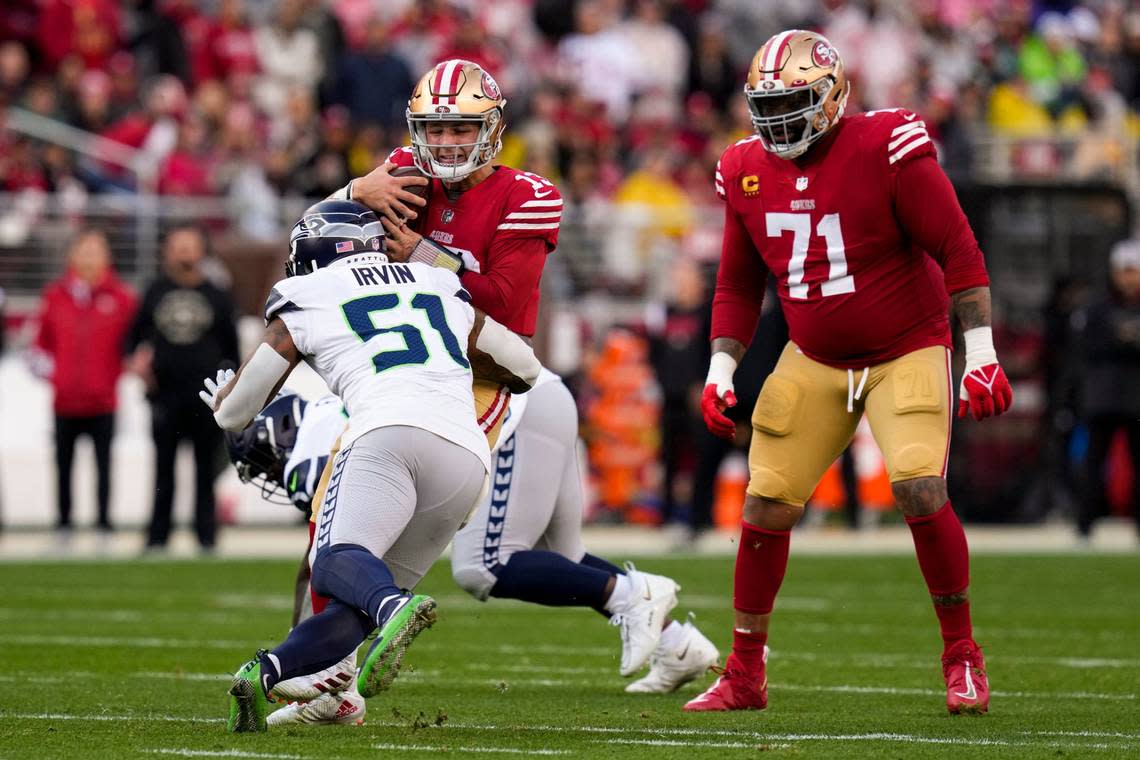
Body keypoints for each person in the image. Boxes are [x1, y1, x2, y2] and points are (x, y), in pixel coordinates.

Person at [333, 59, 695, 683]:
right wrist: (350, 195)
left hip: (508, 391)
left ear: (493, 130)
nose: (444, 142)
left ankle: (633, 597)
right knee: (565, 557)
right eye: (434, 128)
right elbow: (321, 239)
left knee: (484, 566)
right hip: (462, 391)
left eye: (460, 128)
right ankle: (680, 643)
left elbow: (500, 302)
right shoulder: (400, 174)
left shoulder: (527, 195)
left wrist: (422, 254)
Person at [687, 30, 1013, 716]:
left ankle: (962, 657)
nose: (777, 122)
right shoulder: (745, 168)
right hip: (815, 356)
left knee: (920, 489)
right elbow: (738, 286)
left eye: (794, 103)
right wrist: (721, 367)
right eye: (766, 106)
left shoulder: (886, 145)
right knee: (764, 502)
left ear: (833, 98)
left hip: (907, 348)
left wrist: (980, 353)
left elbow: (957, 246)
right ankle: (746, 672)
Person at [206, 200, 541, 733]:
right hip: (465, 455)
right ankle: (266, 672)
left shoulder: (304, 294)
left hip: (386, 432)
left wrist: (221, 400)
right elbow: (525, 368)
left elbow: (237, 412)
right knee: (354, 605)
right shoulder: (434, 284)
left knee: (337, 559)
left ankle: (391, 607)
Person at [126, 225, 240, 552]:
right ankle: (157, 538)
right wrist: (138, 364)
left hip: (205, 401)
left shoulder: (217, 294)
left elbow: (231, 350)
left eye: (190, 246)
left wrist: (226, 390)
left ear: (202, 251)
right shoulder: (154, 291)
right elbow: (134, 339)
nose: (184, 253)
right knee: (164, 472)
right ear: (167, 252)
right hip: (165, 397)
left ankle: (206, 536)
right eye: (178, 247)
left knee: (206, 472)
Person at [31, 229, 137, 534]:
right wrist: (56, 376)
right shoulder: (54, 296)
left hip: (103, 400)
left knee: (104, 464)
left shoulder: (122, 298)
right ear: (72, 256)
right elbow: (41, 344)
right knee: (63, 464)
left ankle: (104, 520)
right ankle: (63, 520)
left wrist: (115, 375)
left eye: (96, 250)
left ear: (107, 257)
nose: (90, 257)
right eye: (84, 250)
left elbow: (130, 346)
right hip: (64, 400)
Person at [1075, 239, 1140, 539]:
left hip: (1134, 397)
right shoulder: (1097, 307)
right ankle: (1085, 524)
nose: (1129, 277)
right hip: (1104, 396)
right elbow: (1087, 347)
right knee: (1094, 462)